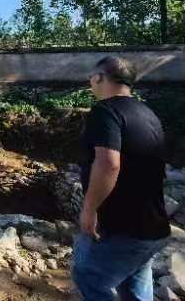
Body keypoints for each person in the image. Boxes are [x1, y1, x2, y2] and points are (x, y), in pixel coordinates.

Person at [72, 56, 170, 301]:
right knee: (135, 286)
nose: (90, 81)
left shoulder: (105, 111)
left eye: (92, 77)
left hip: (121, 228)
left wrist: (89, 209)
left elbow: (108, 163)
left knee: (88, 276)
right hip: (152, 227)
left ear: (99, 78)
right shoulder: (148, 113)